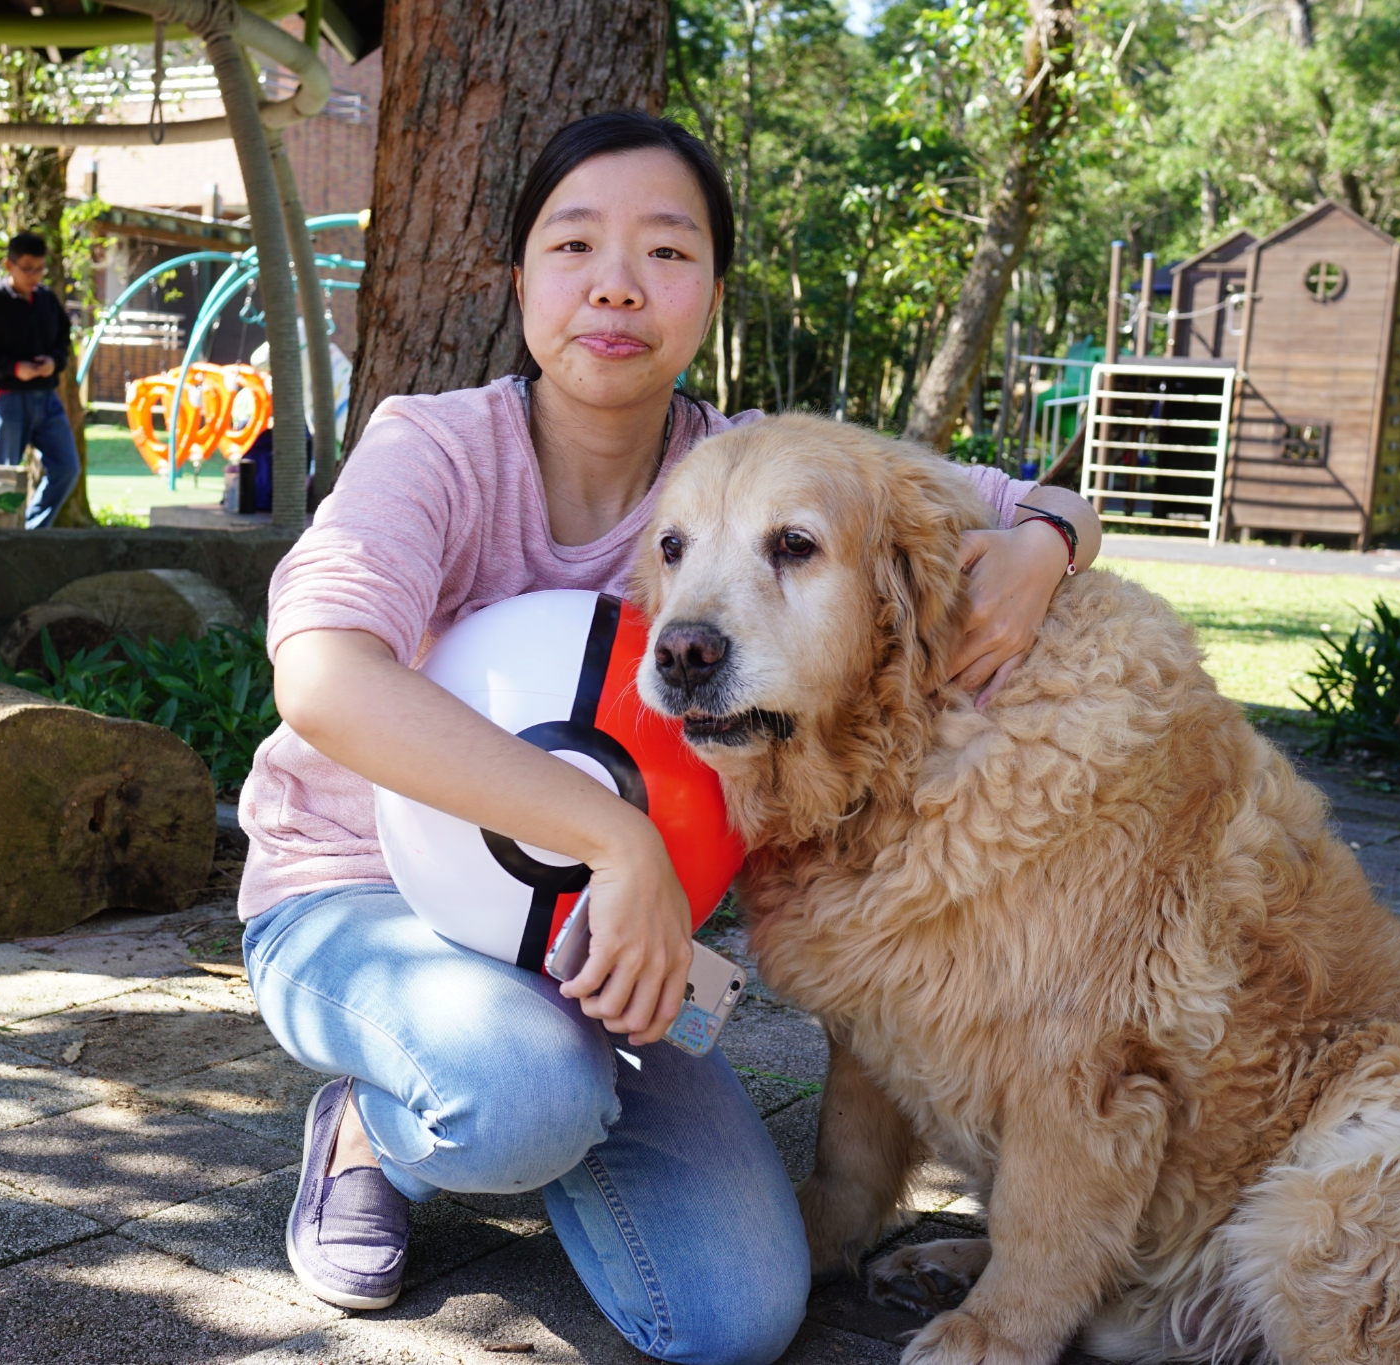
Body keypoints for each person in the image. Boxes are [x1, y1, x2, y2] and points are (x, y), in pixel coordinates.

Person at [237, 111, 1103, 1364]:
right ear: (519, 280)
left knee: (734, 1320)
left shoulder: (744, 465)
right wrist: (616, 839)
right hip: (366, 897)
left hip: (603, 950)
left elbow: (1030, 500)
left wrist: (1045, 545)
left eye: (665, 249)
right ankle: (380, 1131)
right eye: (572, 244)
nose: (616, 284)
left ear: (710, 290)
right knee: (518, 1095)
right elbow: (322, 678)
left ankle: (533, 1100)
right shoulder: (436, 448)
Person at [0, 230, 77, 529]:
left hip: (46, 399)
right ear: (9, 265)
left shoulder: (47, 299)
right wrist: (14, 368)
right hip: (5, 400)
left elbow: (63, 343)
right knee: (2, 478)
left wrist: (53, 363)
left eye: (40, 269)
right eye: (27, 268)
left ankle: (31, 531)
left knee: (67, 469)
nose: (34, 276)